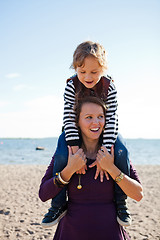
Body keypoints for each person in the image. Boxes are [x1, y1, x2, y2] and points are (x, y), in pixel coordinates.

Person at [41, 41, 131, 228]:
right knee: (61, 155)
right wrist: (74, 147)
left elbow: (112, 118)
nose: (88, 77)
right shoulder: (71, 86)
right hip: (73, 128)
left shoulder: (109, 87)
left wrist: (105, 151)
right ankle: (58, 205)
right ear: (75, 69)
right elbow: (68, 116)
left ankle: (121, 203)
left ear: (103, 68)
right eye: (82, 72)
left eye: (94, 72)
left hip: (105, 129)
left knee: (121, 151)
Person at [39, 96, 143, 240]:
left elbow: (138, 194)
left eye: (101, 116)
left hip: (110, 233)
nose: (96, 122)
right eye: (88, 117)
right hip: (70, 233)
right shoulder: (67, 153)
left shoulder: (114, 153)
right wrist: (69, 169)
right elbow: (43, 194)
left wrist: (111, 167)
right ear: (77, 122)